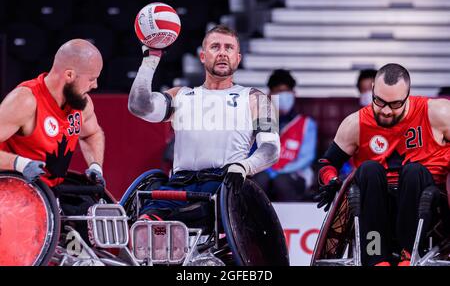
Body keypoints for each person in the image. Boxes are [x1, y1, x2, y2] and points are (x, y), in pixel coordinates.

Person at [128, 25, 280, 216]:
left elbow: (271, 149)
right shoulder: (180, 95)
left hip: (222, 185)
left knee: (185, 216)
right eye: (215, 47)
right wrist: (150, 62)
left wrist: (244, 166)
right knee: (145, 222)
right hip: (179, 184)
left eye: (229, 48)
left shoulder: (255, 98)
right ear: (202, 56)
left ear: (238, 58)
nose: (223, 53)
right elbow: (138, 106)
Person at [315, 63, 450, 266]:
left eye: (395, 104)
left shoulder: (438, 113)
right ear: (372, 91)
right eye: (379, 101)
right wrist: (331, 180)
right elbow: (327, 163)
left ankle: (408, 255)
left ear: (408, 96)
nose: (386, 110)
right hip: (377, 200)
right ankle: (376, 258)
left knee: (414, 170)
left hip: (428, 202)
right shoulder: (355, 123)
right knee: (368, 169)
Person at [0, 38, 106, 190]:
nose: (95, 85)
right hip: (12, 193)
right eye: (91, 79)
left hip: (49, 194)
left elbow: (92, 134)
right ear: (69, 75)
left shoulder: (82, 104)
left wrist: (95, 166)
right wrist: (20, 164)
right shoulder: (25, 101)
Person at [252, 69, 317, 201]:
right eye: (278, 91)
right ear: (270, 95)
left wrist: (279, 170)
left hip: (296, 173)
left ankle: (293, 220)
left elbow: (307, 158)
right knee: (259, 181)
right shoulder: (261, 122)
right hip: (265, 172)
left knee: (281, 181)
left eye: (286, 91)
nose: (283, 96)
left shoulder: (306, 124)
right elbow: (253, 152)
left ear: (293, 93)